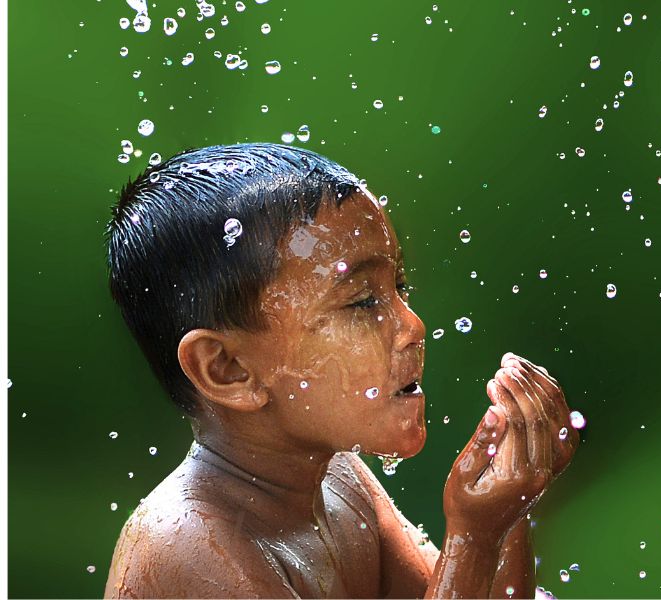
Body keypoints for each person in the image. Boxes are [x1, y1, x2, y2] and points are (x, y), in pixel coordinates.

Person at [103, 143, 579, 598]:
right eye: (362, 301)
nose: (413, 326)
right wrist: (474, 540)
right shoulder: (187, 548)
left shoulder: (338, 481)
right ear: (229, 369)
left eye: (399, 287)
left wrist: (508, 515)